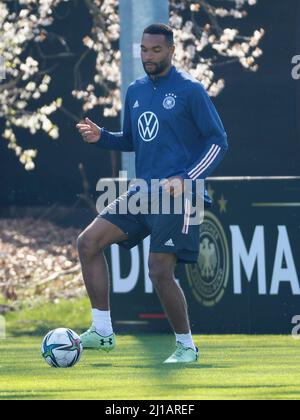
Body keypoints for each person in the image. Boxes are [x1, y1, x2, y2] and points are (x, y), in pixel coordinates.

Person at [76, 23, 228, 364]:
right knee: (87, 243)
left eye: (155, 50)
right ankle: (102, 331)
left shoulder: (191, 90)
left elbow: (218, 141)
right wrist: (102, 136)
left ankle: (187, 346)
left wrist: (187, 177)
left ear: (171, 50)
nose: (148, 56)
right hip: (141, 192)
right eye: (144, 50)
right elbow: (131, 139)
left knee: (159, 269)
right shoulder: (135, 90)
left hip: (180, 197)